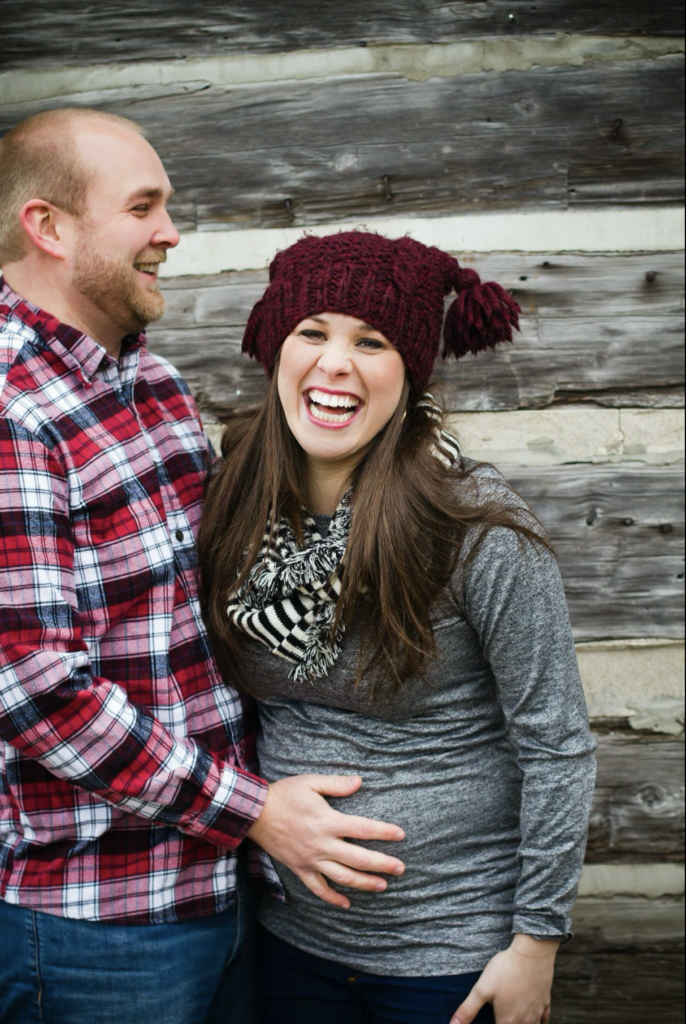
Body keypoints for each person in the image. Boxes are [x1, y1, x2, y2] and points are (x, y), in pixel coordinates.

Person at [0, 111, 407, 1024]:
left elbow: (233, 596)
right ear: (48, 226)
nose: (170, 233)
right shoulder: (13, 409)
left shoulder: (156, 388)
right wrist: (255, 809)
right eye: (143, 207)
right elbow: (30, 685)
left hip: (224, 894)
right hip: (95, 928)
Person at [198, 230, 598, 1024]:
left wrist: (536, 945)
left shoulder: (475, 528)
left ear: (410, 371)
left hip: (450, 961)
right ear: (276, 348)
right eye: (311, 332)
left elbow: (556, 744)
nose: (334, 362)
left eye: (370, 341)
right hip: (285, 944)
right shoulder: (232, 505)